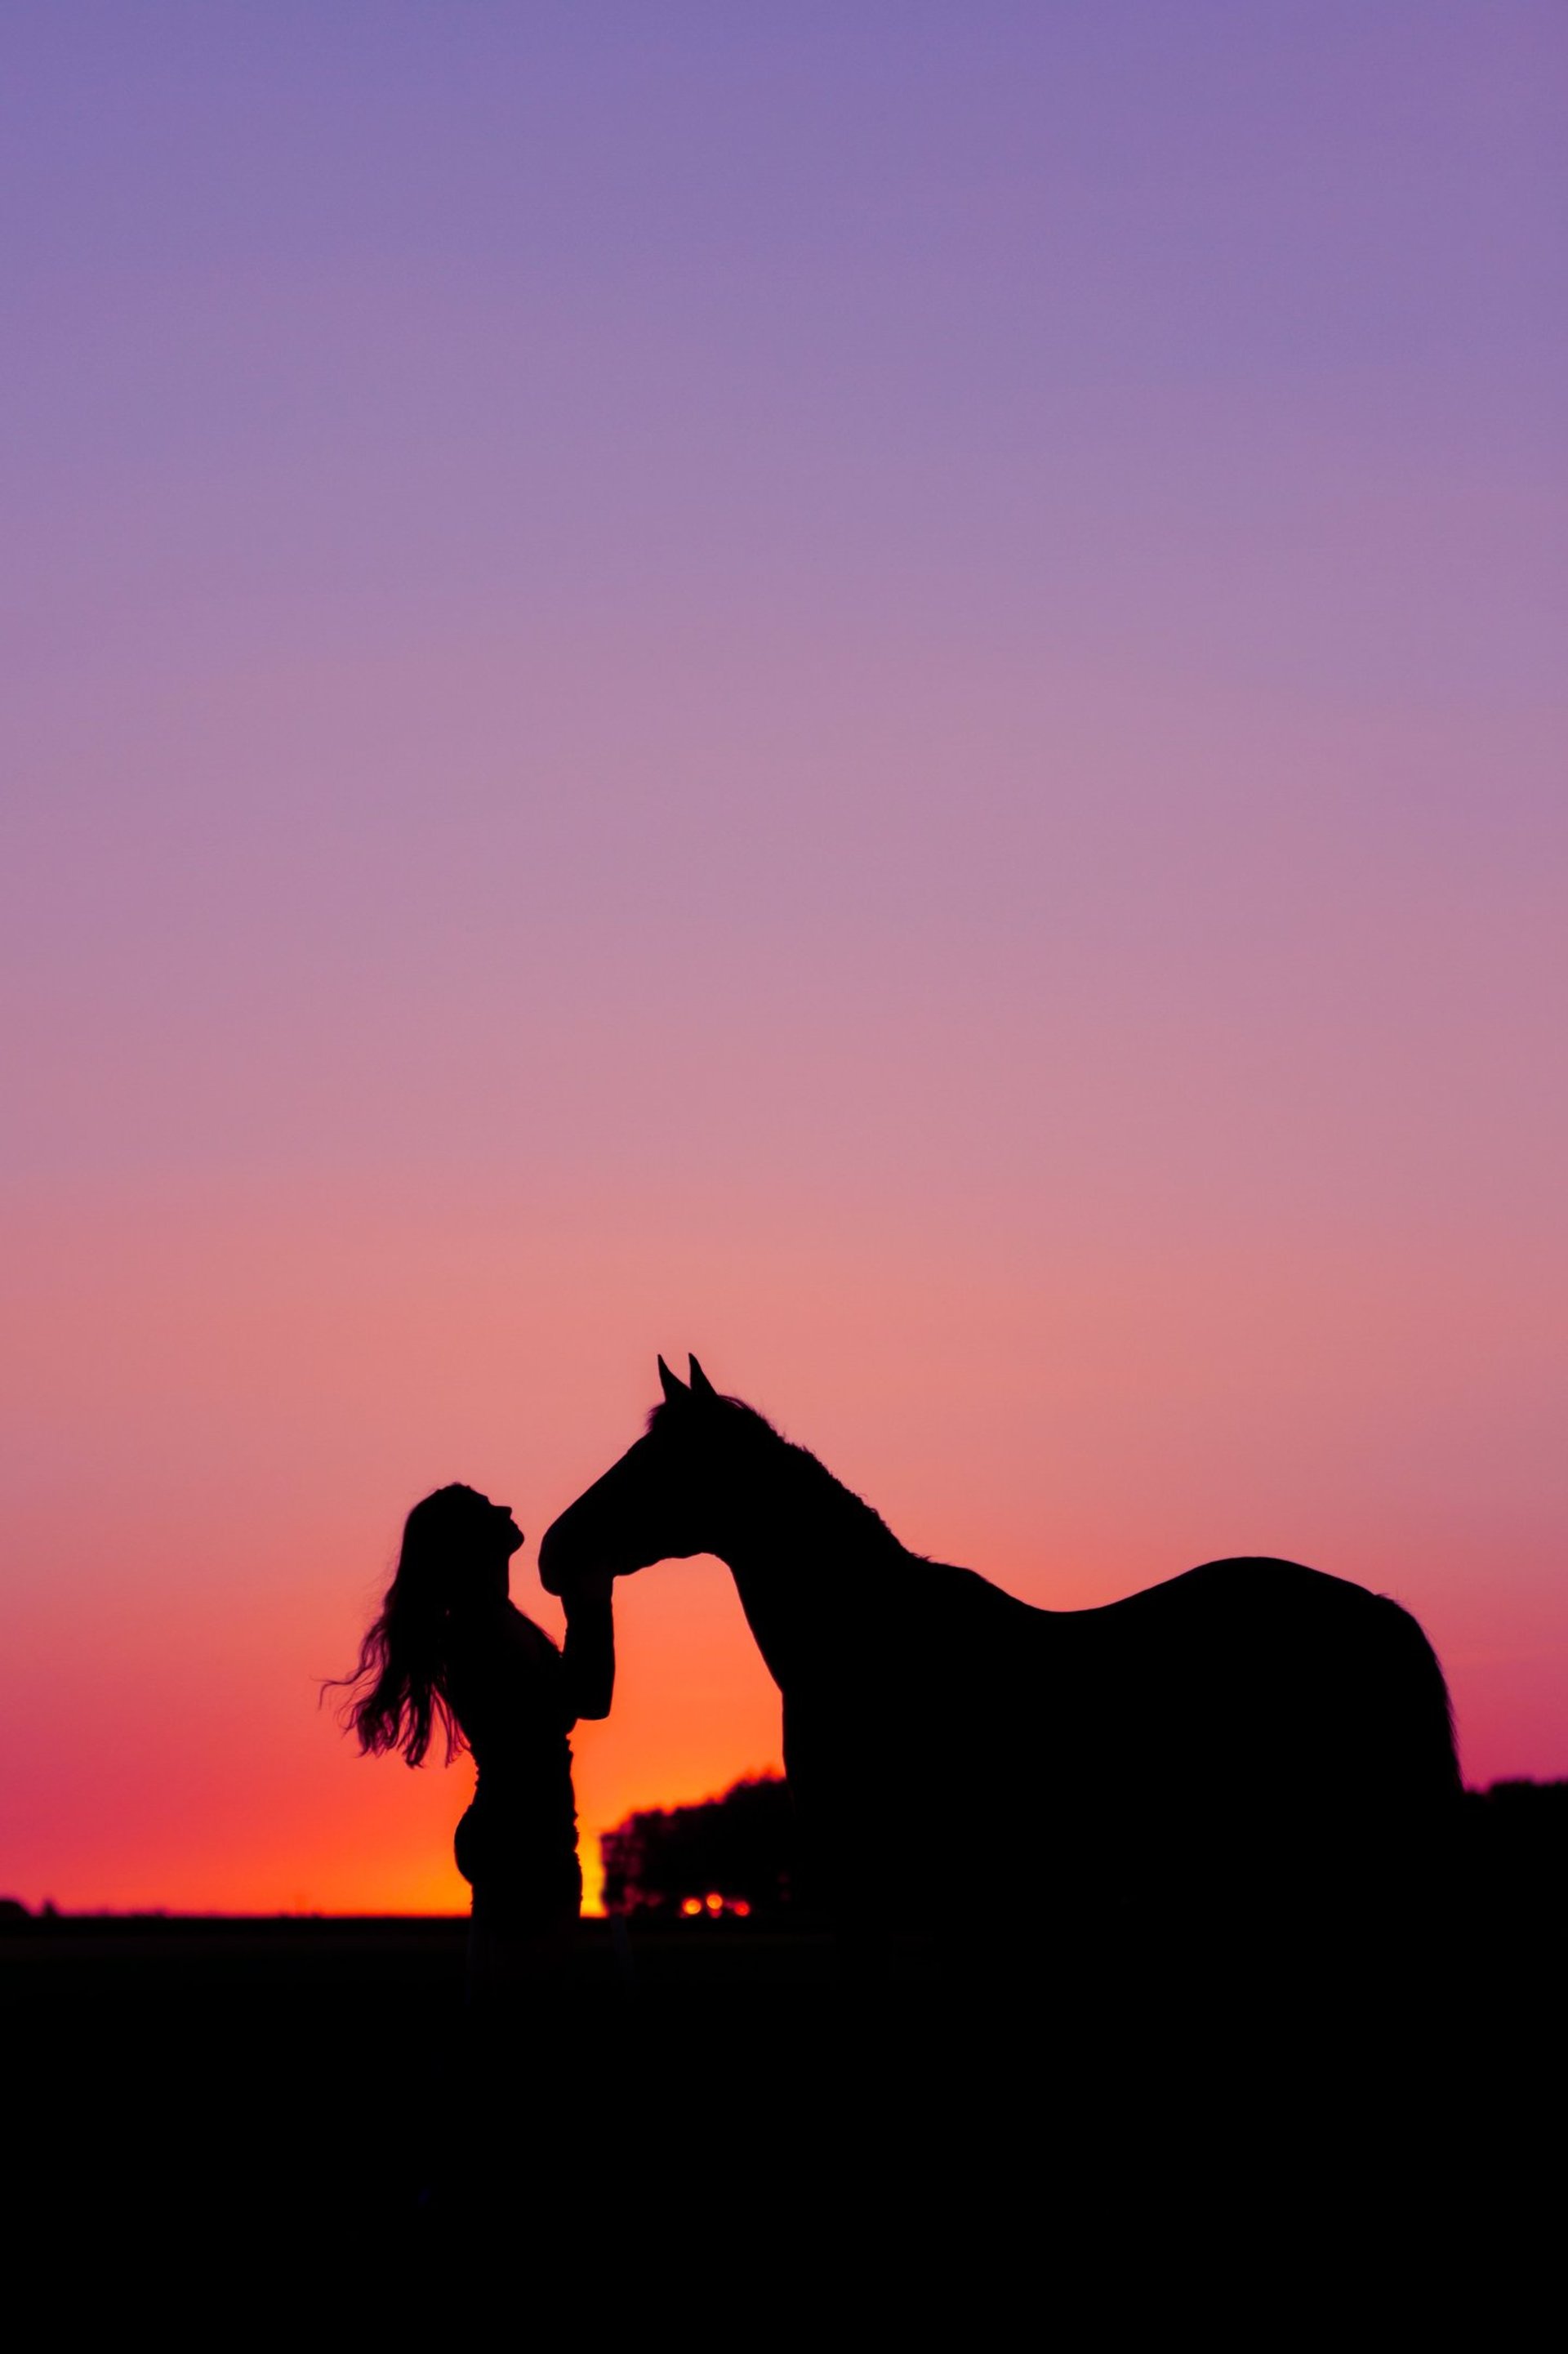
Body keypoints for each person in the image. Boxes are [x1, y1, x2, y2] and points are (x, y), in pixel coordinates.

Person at [335, 1482, 614, 1998]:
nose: (507, 1506)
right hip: (524, 1837)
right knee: (521, 2012)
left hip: (516, 1831)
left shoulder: (492, 1623)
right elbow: (588, 1698)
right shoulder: (483, 1633)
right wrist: (592, 1603)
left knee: (503, 2006)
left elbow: (578, 1701)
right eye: (489, 1509)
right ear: (470, 1542)